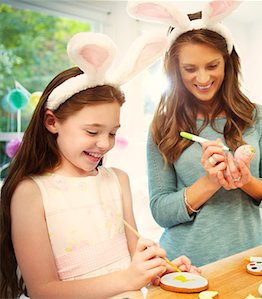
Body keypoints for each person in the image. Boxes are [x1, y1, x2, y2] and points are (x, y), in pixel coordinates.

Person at [0, 32, 199, 299]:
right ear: (51, 121)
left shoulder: (118, 180)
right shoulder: (30, 193)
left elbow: (133, 262)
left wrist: (161, 272)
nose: (105, 144)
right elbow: (43, 291)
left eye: (112, 133)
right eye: (92, 132)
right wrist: (127, 278)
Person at [127, 1, 262, 266]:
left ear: (227, 62)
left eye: (212, 65)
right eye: (190, 69)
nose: (202, 79)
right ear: (175, 70)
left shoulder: (257, 117)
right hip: (183, 266)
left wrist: (245, 180)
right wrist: (210, 182)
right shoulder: (163, 125)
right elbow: (161, 212)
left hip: (247, 261)